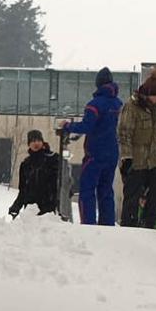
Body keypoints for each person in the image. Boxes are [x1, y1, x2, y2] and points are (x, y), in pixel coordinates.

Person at [60, 67, 122, 226]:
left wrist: (68, 126)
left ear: (98, 84)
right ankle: (107, 224)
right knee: (106, 191)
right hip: (112, 153)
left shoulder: (94, 105)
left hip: (95, 154)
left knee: (87, 190)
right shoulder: (118, 104)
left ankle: (88, 225)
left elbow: (87, 126)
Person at [120, 68, 156, 228]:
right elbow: (124, 133)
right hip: (137, 162)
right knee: (132, 199)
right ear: (149, 94)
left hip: (153, 162)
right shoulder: (131, 108)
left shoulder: (155, 110)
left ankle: (149, 227)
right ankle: (129, 227)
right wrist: (127, 158)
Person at [8, 129, 61, 218]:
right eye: (32, 141)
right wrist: (16, 207)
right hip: (31, 210)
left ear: (42, 142)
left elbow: (61, 182)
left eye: (38, 140)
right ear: (29, 144)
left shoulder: (53, 159)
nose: (36, 143)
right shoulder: (26, 164)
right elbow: (23, 190)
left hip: (49, 209)